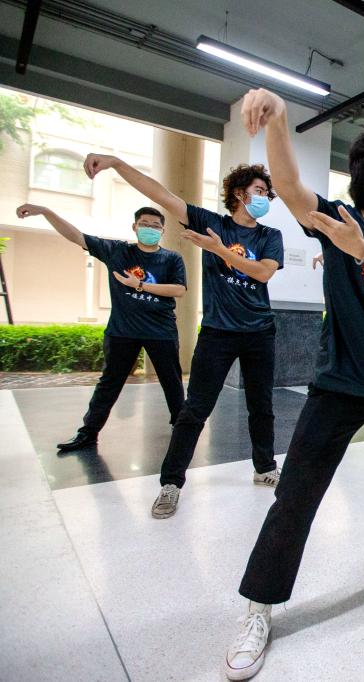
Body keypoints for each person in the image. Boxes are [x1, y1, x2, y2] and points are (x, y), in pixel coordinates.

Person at [224, 88, 364, 680]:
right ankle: (260, 608)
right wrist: (280, 118)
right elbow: (291, 188)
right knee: (295, 497)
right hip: (339, 384)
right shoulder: (335, 219)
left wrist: (363, 249)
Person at [82, 153, 284, 518]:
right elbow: (160, 194)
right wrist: (115, 163)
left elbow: (263, 274)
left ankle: (265, 468)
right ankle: (171, 484)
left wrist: (220, 251)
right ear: (239, 194)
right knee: (194, 411)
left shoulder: (271, 236)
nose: (264, 198)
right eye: (258, 190)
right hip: (218, 334)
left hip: (259, 332)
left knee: (262, 406)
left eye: (267, 194)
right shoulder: (210, 222)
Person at [17, 204, 186, 450]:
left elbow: (179, 290)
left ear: (162, 230)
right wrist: (45, 211)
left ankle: (182, 430)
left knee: (171, 381)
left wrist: (139, 285)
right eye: (145, 224)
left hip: (161, 331)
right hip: (122, 331)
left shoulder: (171, 258)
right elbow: (76, 236)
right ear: (135, 227)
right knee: (109, 383)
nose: (150, 229)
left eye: (155, 226)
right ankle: (88, 433)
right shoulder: (117, 251)